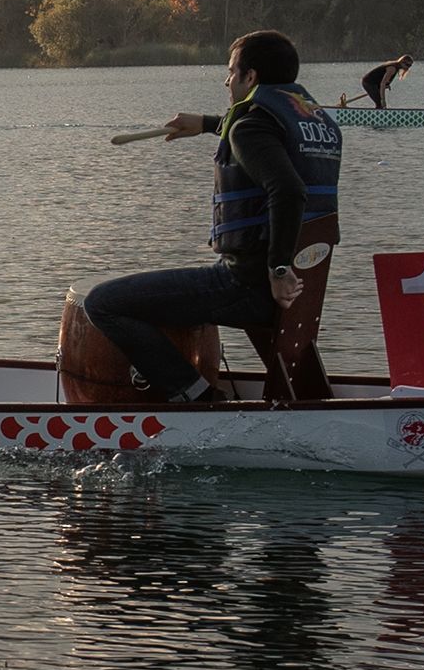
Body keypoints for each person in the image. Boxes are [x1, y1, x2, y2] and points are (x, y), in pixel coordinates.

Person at [78, 28, 342, 405]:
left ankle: (196, 397)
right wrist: (205, 123)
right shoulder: (308, 123)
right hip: (300, 288)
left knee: (103, 303)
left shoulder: (250, 126)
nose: (226, 80)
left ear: (251, 77)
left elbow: (287, 189)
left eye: (231, 71)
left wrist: (279, 269)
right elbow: (260, 136)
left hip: (248, 286)